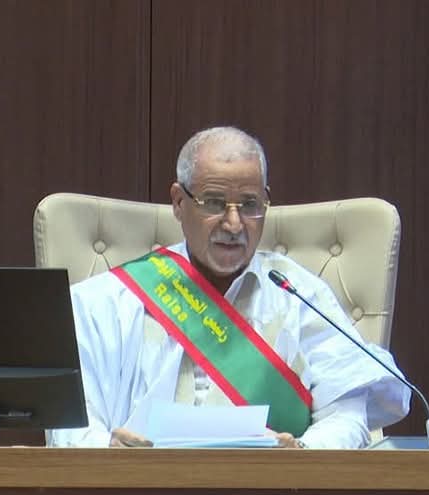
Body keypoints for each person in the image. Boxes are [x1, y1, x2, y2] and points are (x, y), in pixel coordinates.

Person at [47, 126, 410, 449]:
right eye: (215, 203)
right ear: (178, 202)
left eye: (250, 205)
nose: (234, 224)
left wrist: (303, 452)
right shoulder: (106, 302)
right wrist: (109, 450)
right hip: (144, 492)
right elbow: (69, 427)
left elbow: (347, 414)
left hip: (271, 493)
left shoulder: (299, 295)